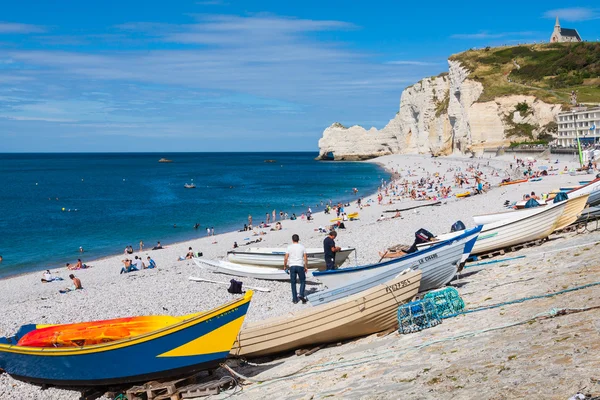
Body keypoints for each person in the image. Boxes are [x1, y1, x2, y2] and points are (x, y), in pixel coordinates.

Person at [283, 234, 308, 304]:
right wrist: (306, 266)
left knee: (293, 283)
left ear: (292, 240)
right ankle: (301, 294)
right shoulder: (302, 247)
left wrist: (285, 266)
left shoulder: (289, 247)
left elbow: (286, 258)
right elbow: (305, 258)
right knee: (302, 281)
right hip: (300, 265)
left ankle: (294, 299)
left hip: (292, 266)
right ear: (298, 239)